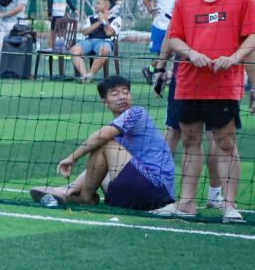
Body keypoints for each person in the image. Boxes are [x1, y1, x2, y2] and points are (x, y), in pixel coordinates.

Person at [153, 0, 255, 223]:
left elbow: (252, 36)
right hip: (189, 82)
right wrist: (191, 53)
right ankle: (186, 202)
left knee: (225, 142)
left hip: (224, 84)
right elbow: (174, 37)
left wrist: (234, 58)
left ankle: (229, 206)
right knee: (189, 140)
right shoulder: (184, 0)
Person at [31, 75, 175, 213]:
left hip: (157, 191)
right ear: (104, 102)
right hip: (133, 193)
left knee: (103, 142)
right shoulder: (117, 127)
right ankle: (70, 190)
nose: (122, 97)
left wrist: (72, 158)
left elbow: (102, 136)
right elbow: (96, 165)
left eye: (125, 92)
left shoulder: (137, 113)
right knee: (101, 157)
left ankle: (81, 196)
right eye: (115, 94)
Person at [68, 0, 121, 82]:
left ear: (106, 6)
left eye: (98, 3)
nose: (95, 6)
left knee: (104, 50)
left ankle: (90, 75)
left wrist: (105, 21)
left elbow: (109, 33)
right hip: (89, 41)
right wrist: (99, 22)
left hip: (106, 42)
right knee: (74, 50)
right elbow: (85, 32)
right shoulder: (91, 18)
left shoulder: (116, 19)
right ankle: (85, 76)